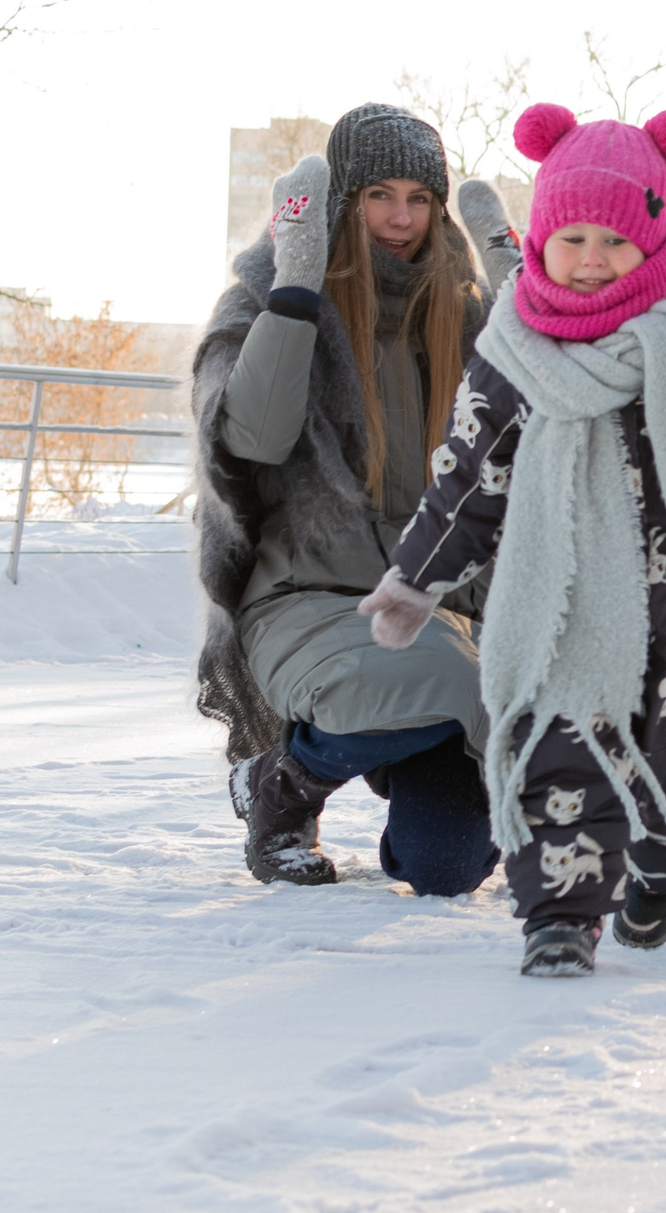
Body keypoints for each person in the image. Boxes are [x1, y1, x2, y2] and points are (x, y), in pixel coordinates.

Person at [357, 104, 666, 977]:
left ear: (653, 239)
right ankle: (561, 916)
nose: (589, 260)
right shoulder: (513, 352)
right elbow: (469, 479)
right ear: (541, 239)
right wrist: (414, 581)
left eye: (612, 242)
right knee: (560, 749)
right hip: (564, 597)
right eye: (570, 238)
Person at [192, 102, 527, 894]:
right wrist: (297, 289)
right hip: (305, 597)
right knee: (449, 678)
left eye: (419, 197)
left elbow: (540, 452)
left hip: (436, 606)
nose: (401, 218)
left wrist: (524, 313)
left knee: (445, 866)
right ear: (344, 202)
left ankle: (368, 753)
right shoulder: (261, 300)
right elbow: (253, 440)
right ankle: (285, 788)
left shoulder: (466, 313)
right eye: (379, 195)